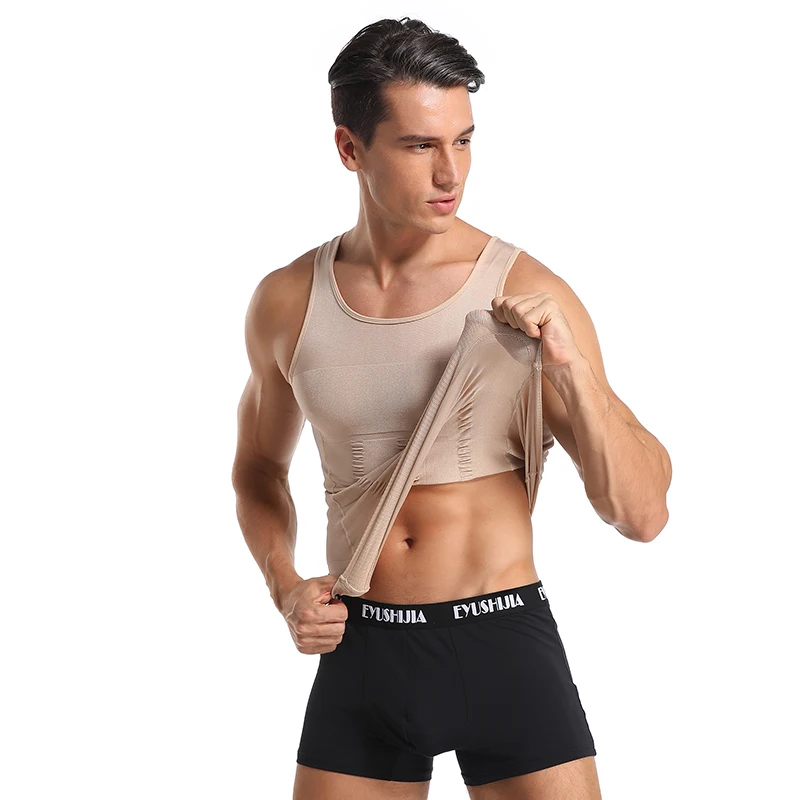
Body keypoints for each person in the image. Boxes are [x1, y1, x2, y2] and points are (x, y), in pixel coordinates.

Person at [231, 16, 671, 800]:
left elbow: (641, 514)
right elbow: (258, 469)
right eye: (419, 145)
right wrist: (285, 585)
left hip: (500, 641)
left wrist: (572, 375)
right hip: (362, 649)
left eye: (464, 141)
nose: (450, 172)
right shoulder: (287, 301)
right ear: (349, 149)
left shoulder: (523, 289)